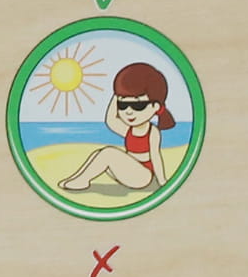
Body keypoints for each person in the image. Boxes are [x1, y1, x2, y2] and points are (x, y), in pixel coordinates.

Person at [58, 60, 177, 194]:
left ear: (155, 106)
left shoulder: (152, 132)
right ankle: (77, 178)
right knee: (98, 153)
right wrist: (117, 94)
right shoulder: (129, 130)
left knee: (108, 153)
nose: (129, 111)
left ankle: (82, 181)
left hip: (143, 176)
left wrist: (162, 181)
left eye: (138, 106)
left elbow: (156, 156)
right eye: (123, 105)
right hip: (129, 171)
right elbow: (111, 120)